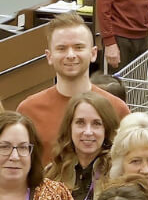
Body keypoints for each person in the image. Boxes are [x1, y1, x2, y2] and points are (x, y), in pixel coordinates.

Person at [14, 13, 130, 166]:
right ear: (49, 56)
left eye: (78, 47)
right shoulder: (29, 110)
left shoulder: (117, 109)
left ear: (93, 53)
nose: (70, 55)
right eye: (61, 48)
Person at [45, 93, 123, 200]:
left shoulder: (119, 174)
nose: (88, 132)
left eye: (96, 124)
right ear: (69, 127)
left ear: (106, 129)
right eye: (80, 123)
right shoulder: (53, 173)